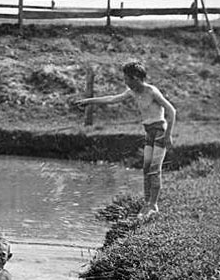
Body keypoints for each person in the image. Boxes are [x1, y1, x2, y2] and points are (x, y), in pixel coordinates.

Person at [75, 61, 177, 218]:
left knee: (154, 170)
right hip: (149, 132)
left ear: (135, 78)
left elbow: (171, 111)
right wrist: (89, 101)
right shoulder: (132, 92)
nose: (125, 82)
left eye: (127, 79)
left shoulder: (152, 91)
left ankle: (153, 205)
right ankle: (147, 204)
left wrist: (168, 135)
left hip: (159, 131)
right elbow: (111, 99)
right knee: (146, 169)